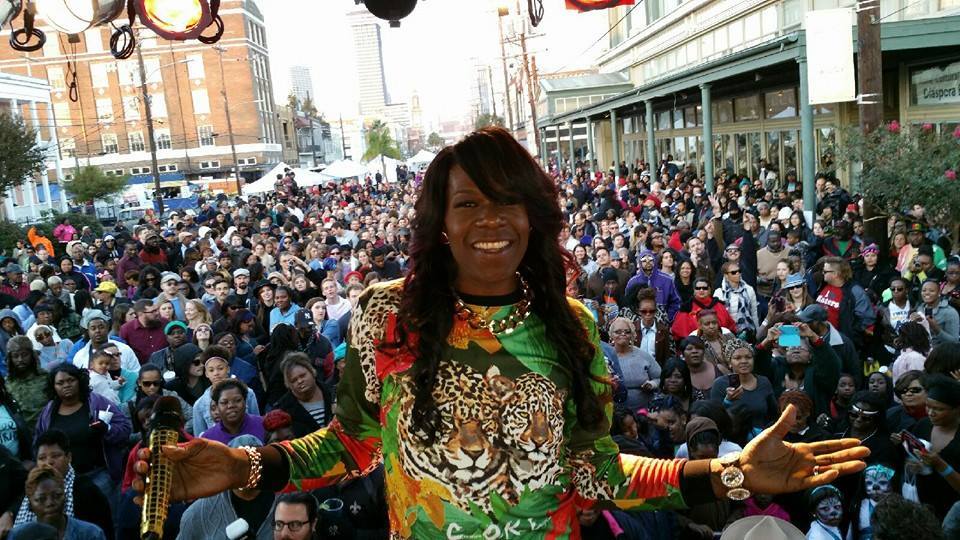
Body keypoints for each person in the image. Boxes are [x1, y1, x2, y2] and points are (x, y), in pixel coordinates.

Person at [132, 127, 868, 537]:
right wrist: (248, 468)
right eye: (467, 204)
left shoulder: (574, 327)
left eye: (508, 202)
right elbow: (349, 443)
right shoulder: (386, 316)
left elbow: (597, 474)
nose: (489, 220)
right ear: (440, 224)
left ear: (534, 217)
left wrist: (727, 474)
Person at [12, 429, 113, 538]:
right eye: (42, 458)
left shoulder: (86, 490)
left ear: (69, 457)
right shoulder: (30, 491)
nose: (49, 462)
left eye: (55, 456)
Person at [175, 435, 276, 540]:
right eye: (239, 462)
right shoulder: (197, 513)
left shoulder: (284, 502)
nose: (247, 468)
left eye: (253, 461)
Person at [7, 467, 107, 540]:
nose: (50, 503)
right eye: (41, 499)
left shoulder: (91, 534)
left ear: (65, 497)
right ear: (30, 505)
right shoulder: (18, 536)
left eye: (57, 496)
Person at [272, 353, 333, 438]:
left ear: (312, 372)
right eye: (294, 380)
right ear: (288, 384)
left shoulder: (333, 393)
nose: (300, 381)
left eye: (302, 376)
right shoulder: (283, 409)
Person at [608, 316, 660, 411]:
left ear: (632, 335)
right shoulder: (605, 355)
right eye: (618, 332)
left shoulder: (643, 355)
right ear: (611, 335)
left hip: (643, 411)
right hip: (614, 411)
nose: (623, 334)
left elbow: (659, 377)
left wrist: (652, 384)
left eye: (627, 332)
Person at [200, 379, 265, 445]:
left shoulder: (264, 425)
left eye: (237, 400)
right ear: (217, 406)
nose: (231, 406)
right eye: (224, 402)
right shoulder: (208, 439)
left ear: (245, 402)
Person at [6, 336, 48, 430]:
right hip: (23, 433)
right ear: (10, 359)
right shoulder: (7, 384)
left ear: (32, 355)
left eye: (24, 355)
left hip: (47, 428)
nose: (20, 359)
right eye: (15, 356)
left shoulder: (46, 378)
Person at [119, 300, 168, 365]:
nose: (157, 313)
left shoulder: (165, 323)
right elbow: (124, 352)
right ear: (140, 314)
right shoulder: (126, 329)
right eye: (153, 311)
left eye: (157, 309)